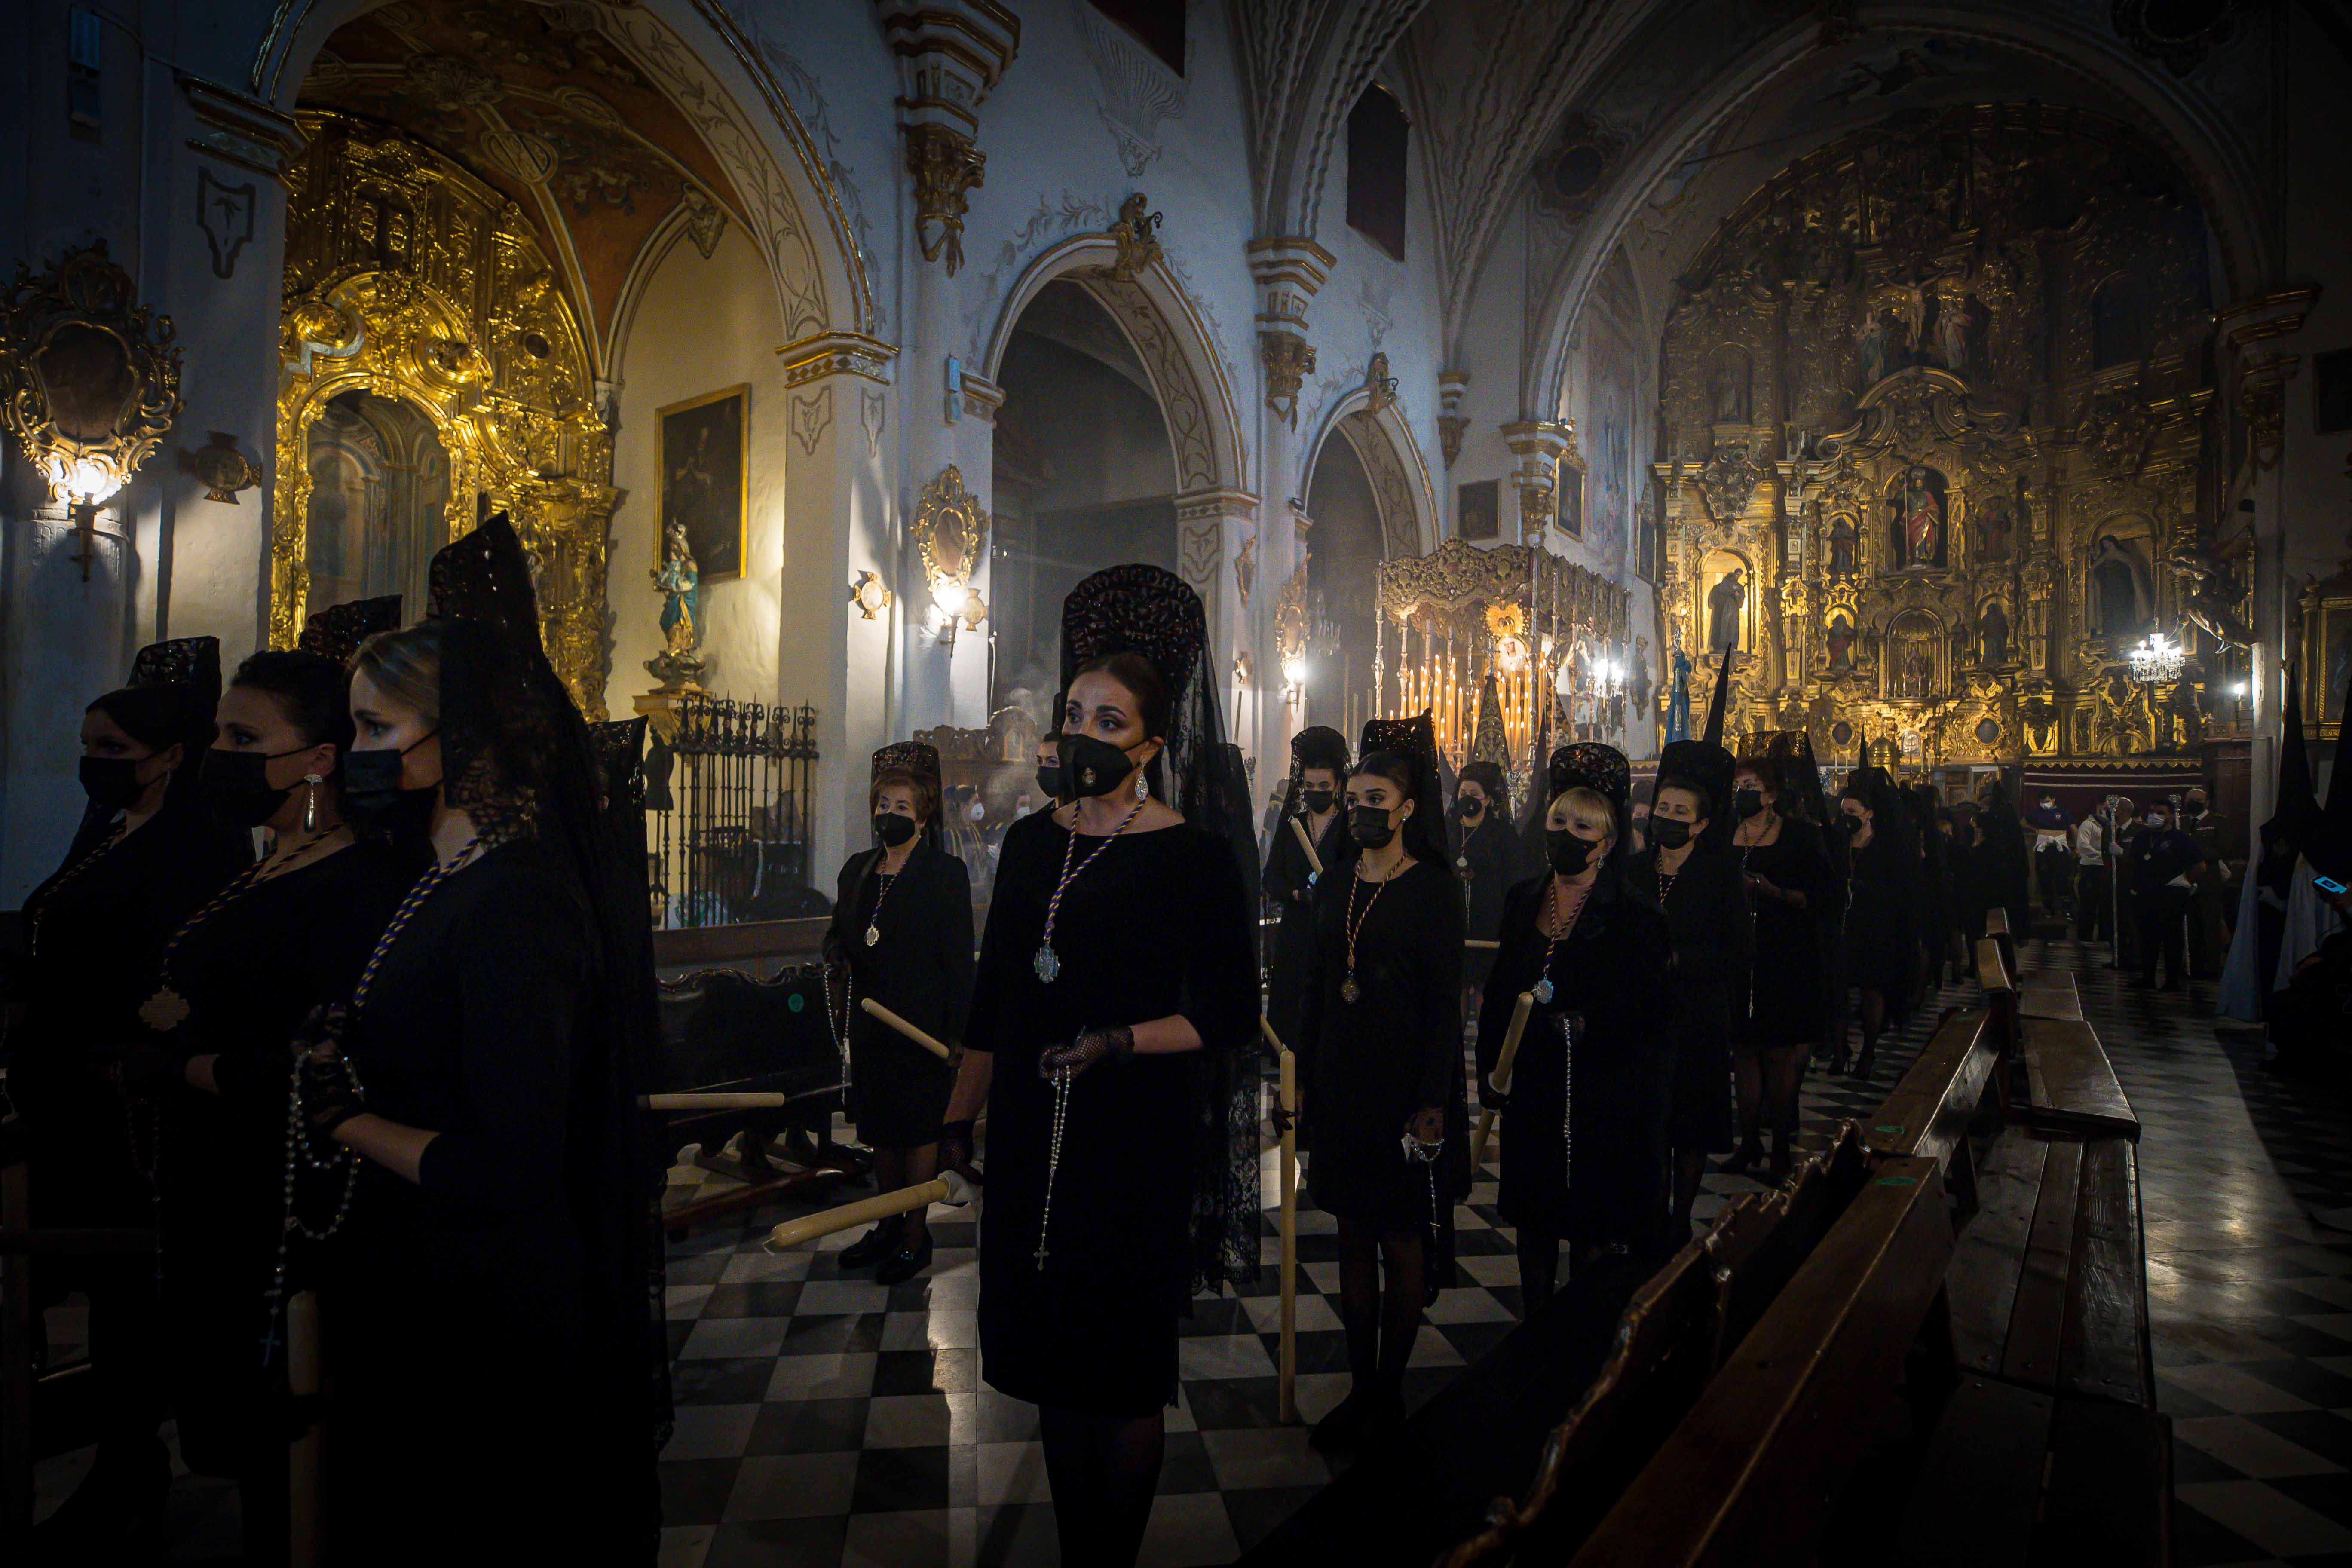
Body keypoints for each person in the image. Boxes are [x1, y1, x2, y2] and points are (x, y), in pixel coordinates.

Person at [300, 519, 663, 1560]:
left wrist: (348, 1119)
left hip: (487, 1305)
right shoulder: (446, 873)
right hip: (428, 1284)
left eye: (378, 729)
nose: (360, 752)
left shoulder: (516, 900)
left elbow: (507, 1163)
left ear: (457, 734)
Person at [942, 564, 1257, 1568]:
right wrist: (957, 1120)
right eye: (1074, 711)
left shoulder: (1193, 858)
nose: (1081, 733)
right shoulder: (1032, 846)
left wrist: (1121, 1041)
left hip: (1132, 1141)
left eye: (1107, 720)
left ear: (1151, 745)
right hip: (1037, 1138)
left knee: (1117, 1374)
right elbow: (994, 1000)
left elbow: (1226, 1014)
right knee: (1052, 1366)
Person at [152, 610, 415, 1564]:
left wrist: (196, 1065)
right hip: (216, 1180)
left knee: (298, 1456)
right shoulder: (277, 860)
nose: (218, 755)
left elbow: (331, 1045)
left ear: (316, 762)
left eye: (241, 739)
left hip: (284, 1193)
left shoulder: (358, 882)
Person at [11, 639, 248, 1553]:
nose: (94, 766)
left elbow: (172, 965)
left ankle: (130, 1462)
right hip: (67, 1093)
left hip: (126, 1105)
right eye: (88, 747)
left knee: (126, 1297)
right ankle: (118, 1459)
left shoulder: (194, 844)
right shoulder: (110, 830)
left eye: (113, 750)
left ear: (168, 758)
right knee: (102, 1294)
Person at [1295, 733, 1466, 1450]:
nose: (1362, 810)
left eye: (1376, 800)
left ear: (1406, 808)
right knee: (1350, 1236)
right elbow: (1313, 987)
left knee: (1399, 1238)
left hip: (1403, 1088)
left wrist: (1432, 1099)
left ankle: (1389, 1391)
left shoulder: (1431, 887)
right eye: (1355, 798)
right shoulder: (1335, 881)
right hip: (1340, 1083)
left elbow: (1441, 1004)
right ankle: (1361, 1387)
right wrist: (1300, 1076)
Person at [1478, 743, 1671, 1308]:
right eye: (1559, 820)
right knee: (1533, 1223)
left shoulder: (1637, 916)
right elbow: (1499, 990)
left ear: (1606, 842)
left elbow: (1650, 1011)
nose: (1566, 833)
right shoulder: (1522, 900)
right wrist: (1491, 1067)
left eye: (1582, 826)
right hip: (1533, 1088)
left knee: (1589, 1226)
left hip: (1598, 1096)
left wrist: (1591, 1026)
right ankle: (1535, 1334)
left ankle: (1582, 1340)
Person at [823, 743, 974, 1283]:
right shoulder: (857, 870)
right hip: (872, 1027)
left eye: (901, 807)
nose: (889, 814)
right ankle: (885, 1227)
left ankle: (915, 1236)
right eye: (882, 804)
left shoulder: (944, 873)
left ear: (923, 814)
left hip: (923, 1029)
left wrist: (959, 1034)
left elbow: (959, 962)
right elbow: (839, 933)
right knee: (881, 1134)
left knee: (917, 1135)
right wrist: (837, 956)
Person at [1632, 745, 1748, 1242]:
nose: (1669, 819)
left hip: (1698, 1015)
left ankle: (1681, 1215)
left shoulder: (1720, 875)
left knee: (1691, 1122)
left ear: (1701, 825)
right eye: (1664, 810)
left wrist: (1685, 961)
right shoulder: (1636, 870)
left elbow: (1740, 950)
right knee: (1652, 1120)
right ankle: (1654, 1210)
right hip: (1645, 1016)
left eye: (1681, 813)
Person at [1721, 749, 1834, 1183]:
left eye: (1748, 789)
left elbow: (1824, 896)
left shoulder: (1800, 837)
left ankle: (1782, 1149)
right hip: (1740, 959)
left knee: (1780, 1056)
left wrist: (1774, 892)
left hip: (1786, 959)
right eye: (1737, 789)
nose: (1740, 796)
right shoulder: (1726, 835)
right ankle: (1748, 1143)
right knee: (1744, 1054)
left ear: (1770, 796)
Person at [1265, 726, 1350, 1058]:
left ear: (1338, 786)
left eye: (1324, 787)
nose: (1317, 793)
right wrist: (1297, 895)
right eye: (1310, 787)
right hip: (1297, 927)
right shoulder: (1292, 824)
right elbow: (1272, 878)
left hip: (1331, 927)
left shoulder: (1347, 828)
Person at [1838, 765, 1920, 1084]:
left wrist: (1861, 889)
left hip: (1876, 927)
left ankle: (1869, 1050)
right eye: (1843, 811)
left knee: (1873, 989)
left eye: (1853, 812)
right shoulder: (1839, 842)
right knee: (1839, 990)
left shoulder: (1886, 847)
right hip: (1844, 926)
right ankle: (1839, 1046)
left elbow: (1899, 890)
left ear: (1869, 814)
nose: (1846, 816)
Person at [1454, 759, 1519, 999]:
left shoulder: (1502, 833)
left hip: (1489, 925)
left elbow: (1511, 877)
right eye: (1463, 792)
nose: (1467, 797)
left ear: (1488, 799)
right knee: (1457, 992)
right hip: (1456, 922)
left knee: (1486, 992)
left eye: (1474, 793)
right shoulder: (1450, 829)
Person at [2132, 799, 2205, 991]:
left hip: (2171, 894)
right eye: (2152, 811)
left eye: (2161, 813)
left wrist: (2187, 882)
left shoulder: (2182, 839)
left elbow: (2199, 865)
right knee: (2148, 938)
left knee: (2172, 938)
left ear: (2171, 816)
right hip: (2147, 894)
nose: (2155, 816)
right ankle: (2148, 977)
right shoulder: (2141, 837)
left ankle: (2172, 980)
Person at [2181, 787, 2234, 977]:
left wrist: (2194, 854)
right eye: (2190, 799)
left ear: (2207, 803)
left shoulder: (2218, 822)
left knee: (2209, 924)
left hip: (2208, 882)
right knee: (2190, 925)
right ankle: (2190, 964)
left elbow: (2223, 848)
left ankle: (2210, 967)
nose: (2193, 802)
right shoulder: (2183, 822)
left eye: (2198, 799)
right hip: (2185, 881)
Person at [2026, 790, 2074, 921]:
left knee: (2062, 878)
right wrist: (2034, 830)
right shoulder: (2037, 812)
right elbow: (2023, 822)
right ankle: (2048, 909)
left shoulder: (2063, 812)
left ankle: (2066, 910)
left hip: (2060, 849)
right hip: (2044, 850)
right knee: (2045, 878)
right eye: (2042, 802)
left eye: (2046, 802)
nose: (2044, 804)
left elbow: (2073, 828)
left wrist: (2077, 846)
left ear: (2053, 800)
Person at [2074, 798, 2115, 946]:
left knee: (2105, 904)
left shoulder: (2111, 826)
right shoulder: (2088, 825)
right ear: (2098, 807)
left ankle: (2104, 938)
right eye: (2104, 808)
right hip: (2091, 867)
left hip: (2105, 868)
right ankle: (2085, 937)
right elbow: (2083, 846)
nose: (2106, 811)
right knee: (2088, 904)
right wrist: (2102, 855)